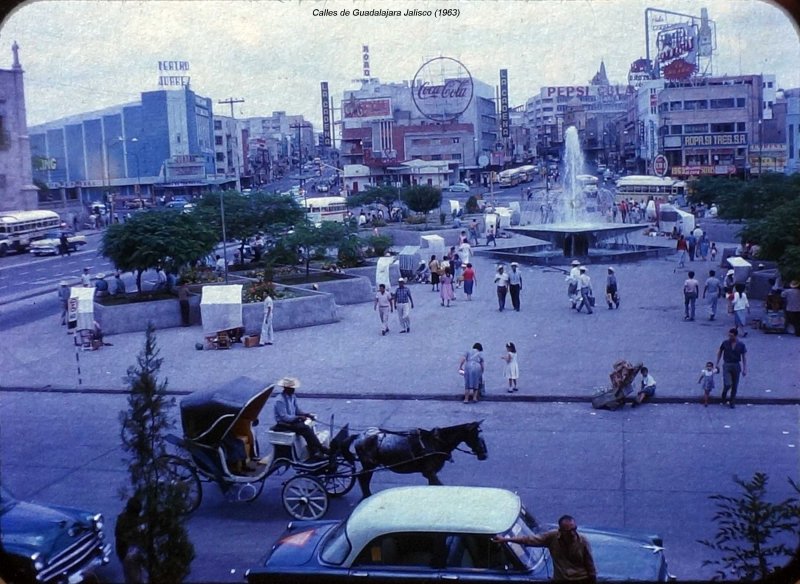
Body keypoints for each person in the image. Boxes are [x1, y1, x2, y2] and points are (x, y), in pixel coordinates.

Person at [492, 515, 597, 584]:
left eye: (574, 529)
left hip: (580, 579)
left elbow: (590, 566)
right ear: (561, 531)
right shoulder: (552, 537)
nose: (573, 533)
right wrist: (506, 539)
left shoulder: (583, 541)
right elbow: (529, 540)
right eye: (569, 531)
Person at [272, 377, 328, 458]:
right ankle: (319, 448)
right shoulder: (279, 400)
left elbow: (297, 410)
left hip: (292, 420)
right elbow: (285, 417)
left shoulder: (293, 396)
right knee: (304, 428)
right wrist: (299, 418)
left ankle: (314, 449)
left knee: (306, 427)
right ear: (286, 388)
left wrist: (306, 414)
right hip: (283, 423)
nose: (293, 390)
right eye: (292, 388)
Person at [715, 328, 747, 408]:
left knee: (735, 385)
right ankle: (724, 393)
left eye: (731, 336)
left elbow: (744, 357)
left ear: (735, 336)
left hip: (736, 365)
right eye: (729, 335)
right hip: (727, 364)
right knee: (728, 383)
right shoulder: (725, 343)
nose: (730, 337)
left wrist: (745, 368)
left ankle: (732, 401)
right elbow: (720, 352)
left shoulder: (741, 345)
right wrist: (717, 363)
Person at [115, 497, 145, 584]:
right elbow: (123, 537)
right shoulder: (128, 521)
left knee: (131, 576)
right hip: (127, 553)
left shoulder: (122, 519)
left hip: (125, 553)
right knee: (134, 578)